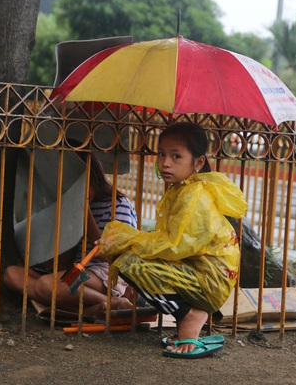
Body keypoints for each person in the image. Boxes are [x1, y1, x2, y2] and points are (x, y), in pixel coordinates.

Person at [97, 122, 248, 358]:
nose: (165, 163)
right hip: (197, 271)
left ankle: (191, 316)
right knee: (126, 254)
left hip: (208, 280)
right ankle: (188, 317)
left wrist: (127, 240)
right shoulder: (181, 189)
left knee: (129, 262)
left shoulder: (195, 196)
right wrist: (125, 240)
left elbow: (173, 245)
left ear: (198, 162)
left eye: (176, 156)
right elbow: (169, 242)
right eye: (162, 154)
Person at [3, 153, 138, 317]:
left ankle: (113, 303)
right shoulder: (66, 203)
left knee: (47, 286)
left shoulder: (118, 204)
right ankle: (89, 311)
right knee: (12, 274)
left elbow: (112, 256)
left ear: (92, 177)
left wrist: (84, 212)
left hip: (105, 271)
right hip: (76, 270)